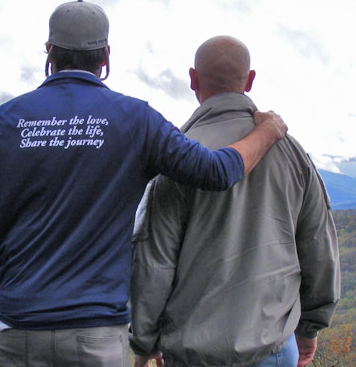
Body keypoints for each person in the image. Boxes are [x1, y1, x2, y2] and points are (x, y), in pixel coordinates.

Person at [0, 2, 288, 367]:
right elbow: (216, 172)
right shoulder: (135, 120)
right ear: (105, 56)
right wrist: (267, 130)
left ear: (49, 53)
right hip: (96, 335)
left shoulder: (4, 120)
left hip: (12, 330)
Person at [130, 35, 340, 367]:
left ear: (192, 79)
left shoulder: (176, 157)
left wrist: (145, 342)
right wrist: (310, 328)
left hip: (192, 355)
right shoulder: (292, 153)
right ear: (250, 80)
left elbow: (154, 263)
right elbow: (317, 245)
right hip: (273, 350)